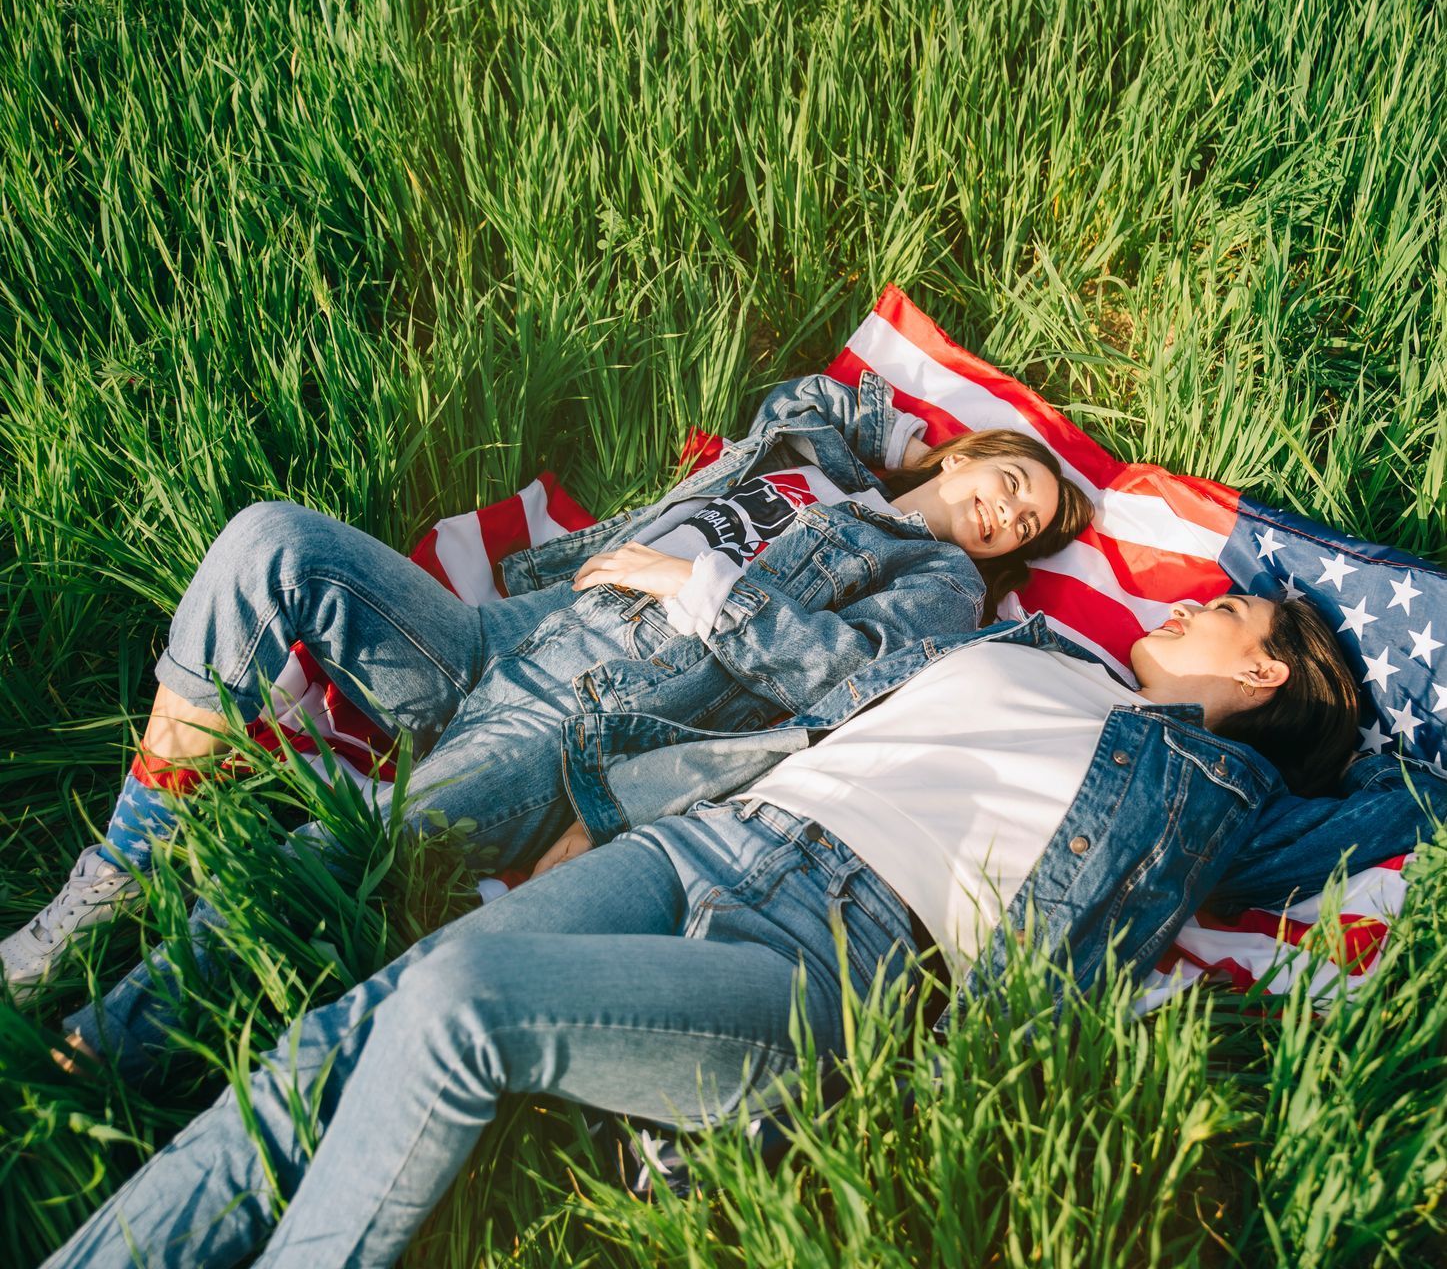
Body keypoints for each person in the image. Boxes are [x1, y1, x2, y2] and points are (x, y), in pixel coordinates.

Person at [43, 595, 1447, 1268]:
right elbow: (814, 678)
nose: (1189, 599)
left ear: (1261, 672)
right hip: (702, 838)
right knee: (357, 1024)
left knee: (456, 1006)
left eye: (1226, 611)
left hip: (838, 964)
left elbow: (1395, 800)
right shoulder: (1022, 648)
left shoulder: (1223, 793)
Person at [0, 371, 1092, 998]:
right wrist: (894, 433)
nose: (1007, 513)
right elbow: (813, 391)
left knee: (344, 846)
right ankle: (116, 874)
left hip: (586, 711)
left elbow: (852, 676)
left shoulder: (940, 578)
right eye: (1007, 480)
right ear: (962, 458)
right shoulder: (820, 453)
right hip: (502, 630)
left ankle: (104, 1039)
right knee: (268, 543)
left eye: (1025, 524)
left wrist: (703, 586)